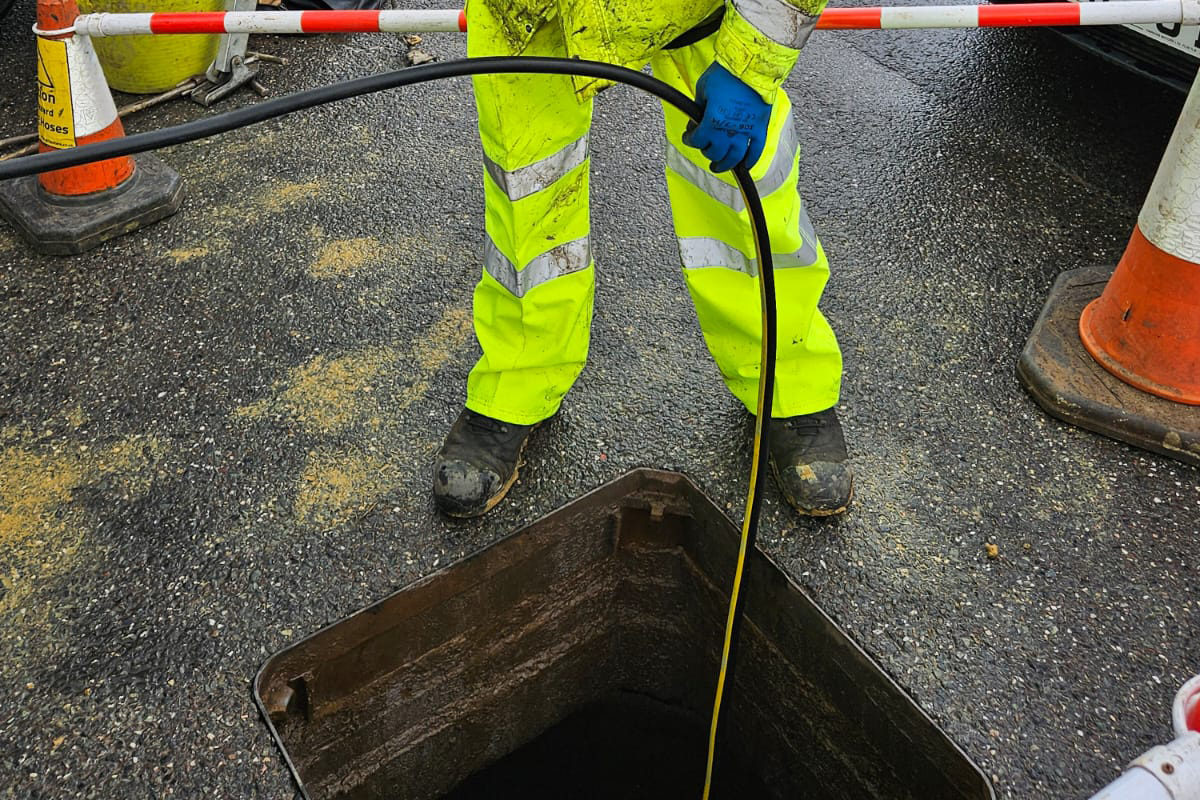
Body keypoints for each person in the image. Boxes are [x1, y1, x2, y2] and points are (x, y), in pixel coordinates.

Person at [433, 0, 852, 518]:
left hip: (707, 12)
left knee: (746, 201)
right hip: (527, 13)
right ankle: (515, 383)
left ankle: (789, 383)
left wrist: (752, 64)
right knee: (528, 199)